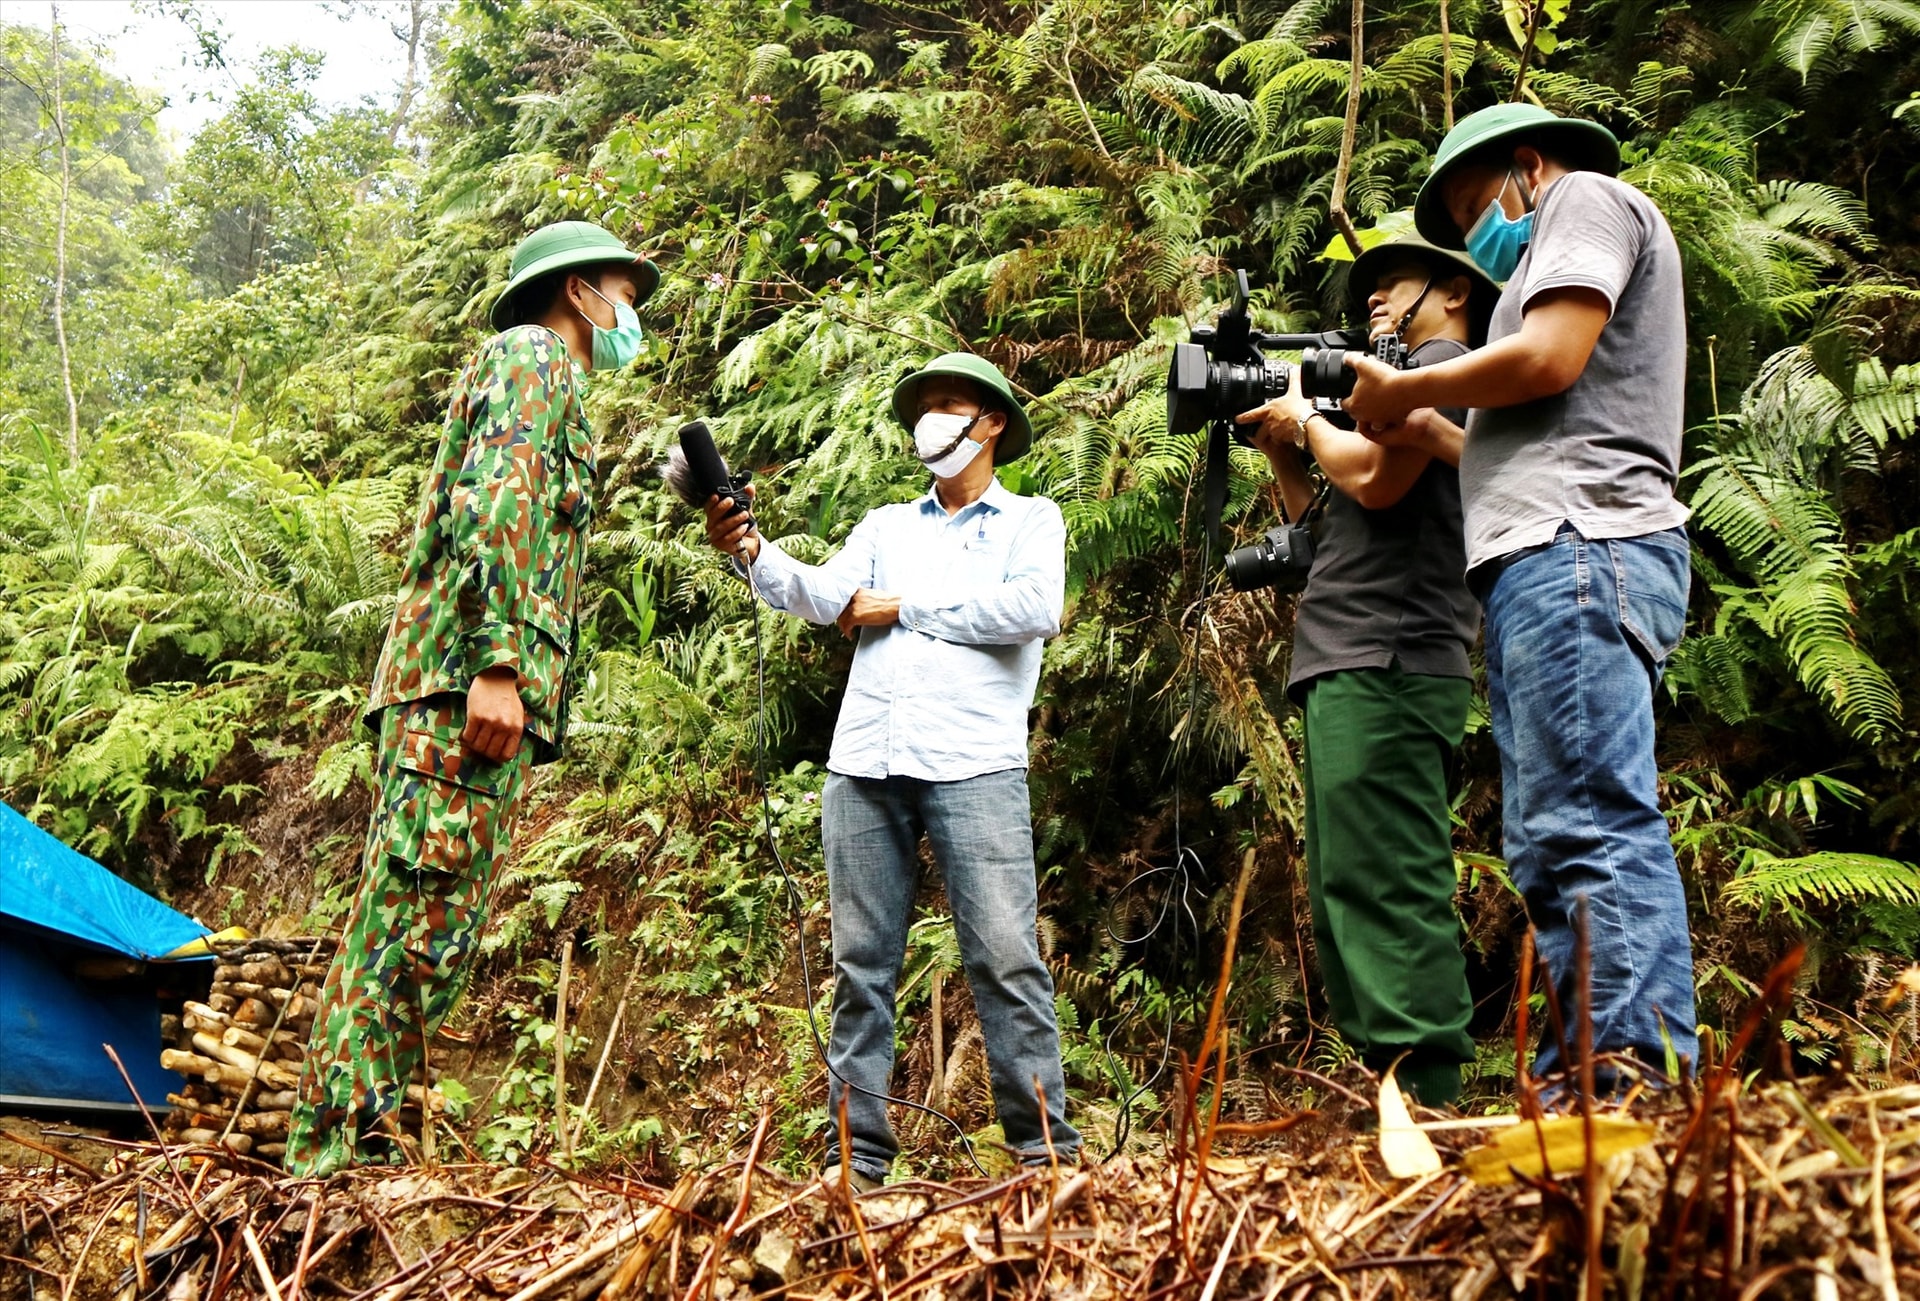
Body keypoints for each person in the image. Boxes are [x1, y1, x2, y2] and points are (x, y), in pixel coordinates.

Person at [287, 222, 658, 1176]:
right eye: (625, 292)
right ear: (579, 293)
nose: (633, 315)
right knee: (411, 930)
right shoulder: (531, 355)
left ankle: (350, 1151)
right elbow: (496, 502)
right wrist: (498, 665)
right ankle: (329, 1162)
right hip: (466, 687)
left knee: (427, 932)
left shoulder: (553, 382)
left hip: (470, 691)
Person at [1340, 104, 1698, 1089]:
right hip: (1555, 547)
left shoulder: (1581, 197)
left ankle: (1627, 1077)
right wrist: (1436, 434)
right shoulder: (1543, 270)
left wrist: (1400, 393)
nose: (1476, 233)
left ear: (1526, 167)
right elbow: (1538, 430)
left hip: (1577, 544)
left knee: (1581, 819)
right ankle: (1591, 1075)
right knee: (1553, 829)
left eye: (1471, 207)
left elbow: (1549, 361)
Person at [702, 353, 1079, 1190]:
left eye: (948, 406)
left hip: (975, 762)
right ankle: (857, 1162)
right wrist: (752, 549)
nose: (931, 421)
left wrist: (905, 606)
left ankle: (1044, 1158)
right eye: (924, 408)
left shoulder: (1031, 520)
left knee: (1008, 958)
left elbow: (1034, 608)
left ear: (989, 425)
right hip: (865, 762)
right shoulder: (884, 527)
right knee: (860, 965)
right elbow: (821, 594)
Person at [1234, 234, 1495, 1107]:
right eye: (1369, 289)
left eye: (1394, 283)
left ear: (1453, 291)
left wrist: (1308, 417)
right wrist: (1285, 447)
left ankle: (1428, 1087)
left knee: (1386, 868)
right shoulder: (1401, 385)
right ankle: (1397, 1091)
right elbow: (1334, 524)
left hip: (1390, 650)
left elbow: (1380, 483)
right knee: (1347, 874)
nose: (1375, 299)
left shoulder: (1447, 365)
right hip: (1353, 646)